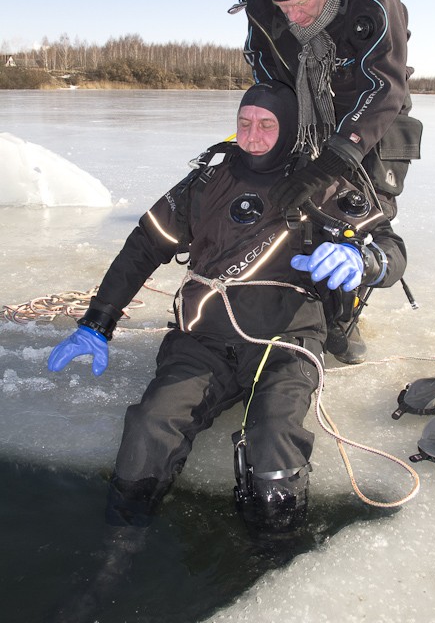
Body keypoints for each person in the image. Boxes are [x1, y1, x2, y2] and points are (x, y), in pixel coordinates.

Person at [47, 81, 407, 539]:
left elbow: (392, 248)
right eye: (244, 123)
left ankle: (275, 547)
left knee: (274, 444)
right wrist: (98, 322)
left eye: (266, 125)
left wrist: (365, 259)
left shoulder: (322, 184)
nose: (252, 136)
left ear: (291, 129)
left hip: (285, 343)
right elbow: (143, 247)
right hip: (202, 340)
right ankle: (119, 543)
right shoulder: (207, 181)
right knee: (149, 427)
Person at [230, 0, 422, 361]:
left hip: (374, 115)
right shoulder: (263, 6)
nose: (295, 17)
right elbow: (268, 78)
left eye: (305, 4)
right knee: (297, 204)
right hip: (304, 115)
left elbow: (385, 87)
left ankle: (345, 315)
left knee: (361, 214)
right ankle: (300, 295)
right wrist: (269, 140)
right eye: (285, 7)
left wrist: (333, 160)